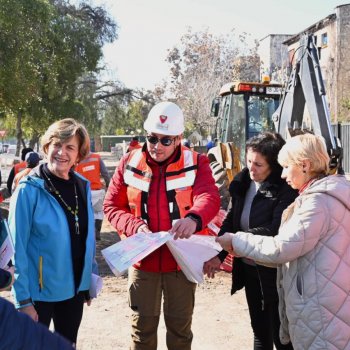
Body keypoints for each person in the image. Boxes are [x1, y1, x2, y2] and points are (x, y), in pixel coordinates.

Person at [103, 101, 220, 350]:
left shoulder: (197, 162)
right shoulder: (129, 161)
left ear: (178, 138)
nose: (157, 146)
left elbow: (209, 196)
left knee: (180, 332)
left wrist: (194, 218)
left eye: (165, 140)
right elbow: (111, 206)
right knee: (142, 332)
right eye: (152, 138)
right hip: (142, 262)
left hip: (180, 263)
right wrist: (134, 226)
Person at [217, 133, 350, 350]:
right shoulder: (329, 195)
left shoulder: (316, 204)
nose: (283, 174)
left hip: (321, 310)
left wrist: (238, 241)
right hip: (328, 302)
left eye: (287, 166)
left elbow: (282, 248)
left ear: (305, 165)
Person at [204, 132, 297, 350]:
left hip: (274, 274)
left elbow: (275, 229)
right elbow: (231, 220)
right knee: (259, 332)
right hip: (248, 268)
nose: (251, 168)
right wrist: (219, 256)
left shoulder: (285, 190)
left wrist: (236, 241)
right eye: (248, 162)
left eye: (258, 164)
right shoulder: (243, 182)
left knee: (281, 336)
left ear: (273, 165)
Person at [8, 118, 96, 347]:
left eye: (70, 147)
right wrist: (23, 301)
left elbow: (85, 238)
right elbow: (16, 249)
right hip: (38, 296)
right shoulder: (28, 190)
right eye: (57, 145)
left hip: (74, 292)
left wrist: (87, 282)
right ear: (47, 147)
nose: (61, 152)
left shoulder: (82, 186)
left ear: (78, 154)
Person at [75, 152, 110, 240]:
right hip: (96, 191)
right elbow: (105, 173)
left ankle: (86, 233)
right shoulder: (96, 157)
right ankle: (96, 232)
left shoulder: (75, 158)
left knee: (83, 212)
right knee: (98, 212)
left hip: (82, 191)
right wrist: (109, 184)